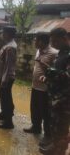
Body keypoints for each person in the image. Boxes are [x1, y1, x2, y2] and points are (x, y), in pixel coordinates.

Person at [39, 27, 70, 155]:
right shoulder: (61, 53)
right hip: (56, 97)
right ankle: (55, 146)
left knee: (61, 126)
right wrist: (47, 77)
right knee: (55, 124)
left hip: (65, 99)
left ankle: (59, 150)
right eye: (52, 42)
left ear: (64, 39)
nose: (53, 45)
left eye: (55, 42)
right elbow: (57, 75)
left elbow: (68, 76)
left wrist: (51, 71)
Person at [23, 33, 57, 137]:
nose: (34, 42)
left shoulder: (54, 53)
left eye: (36, 40)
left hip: (45, 89)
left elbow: (56, 72)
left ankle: (47, 135)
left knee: (45, 112)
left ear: (42, 41)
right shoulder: (38, 51)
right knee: (34, 108)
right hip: (35, 86)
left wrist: (44, 65)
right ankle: (36, 127)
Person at [0, 26, 17, 129]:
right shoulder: (7, 45)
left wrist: (4, 80)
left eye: (3, 33)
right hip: (2, 76)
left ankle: (8, 122)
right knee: (3, 97)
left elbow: (9, 65)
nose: (1, 35)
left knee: (6, 99)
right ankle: (4, 113)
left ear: (8, 34)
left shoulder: (10, 47)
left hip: (5, 78)